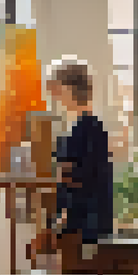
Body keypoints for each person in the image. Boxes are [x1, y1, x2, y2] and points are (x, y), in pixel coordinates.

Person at [45, 59, 115, 263]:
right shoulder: (79, 127)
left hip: (87, 223)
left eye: (57, 88)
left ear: (68, 88)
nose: (54, 95)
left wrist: (66, 212)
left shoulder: (90, 128)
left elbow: (85, 177)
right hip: (80, 219)